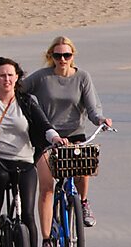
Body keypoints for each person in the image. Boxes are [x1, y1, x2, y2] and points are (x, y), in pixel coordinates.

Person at [0, 57, 66, 247]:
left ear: (17, 78)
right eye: (2, 75)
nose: (6, 79)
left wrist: (55, 137)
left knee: (28, 215)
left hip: (24, 161)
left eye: (10, 75)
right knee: (0, 177)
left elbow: (44, 125)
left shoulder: (27, 102)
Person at [22, 37, 113, 245]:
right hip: (47, 137)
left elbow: (92, 109)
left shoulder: (82, 77)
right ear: (50, 57)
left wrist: (101, 120)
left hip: (74, 135)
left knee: (84, 164)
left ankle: (82, 202)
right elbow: (18, 91)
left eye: (66, 55)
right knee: (46, 188)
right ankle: (46, 238)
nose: (62, 59)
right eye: (57, 55)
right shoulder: (42, 78)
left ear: (73, 56)